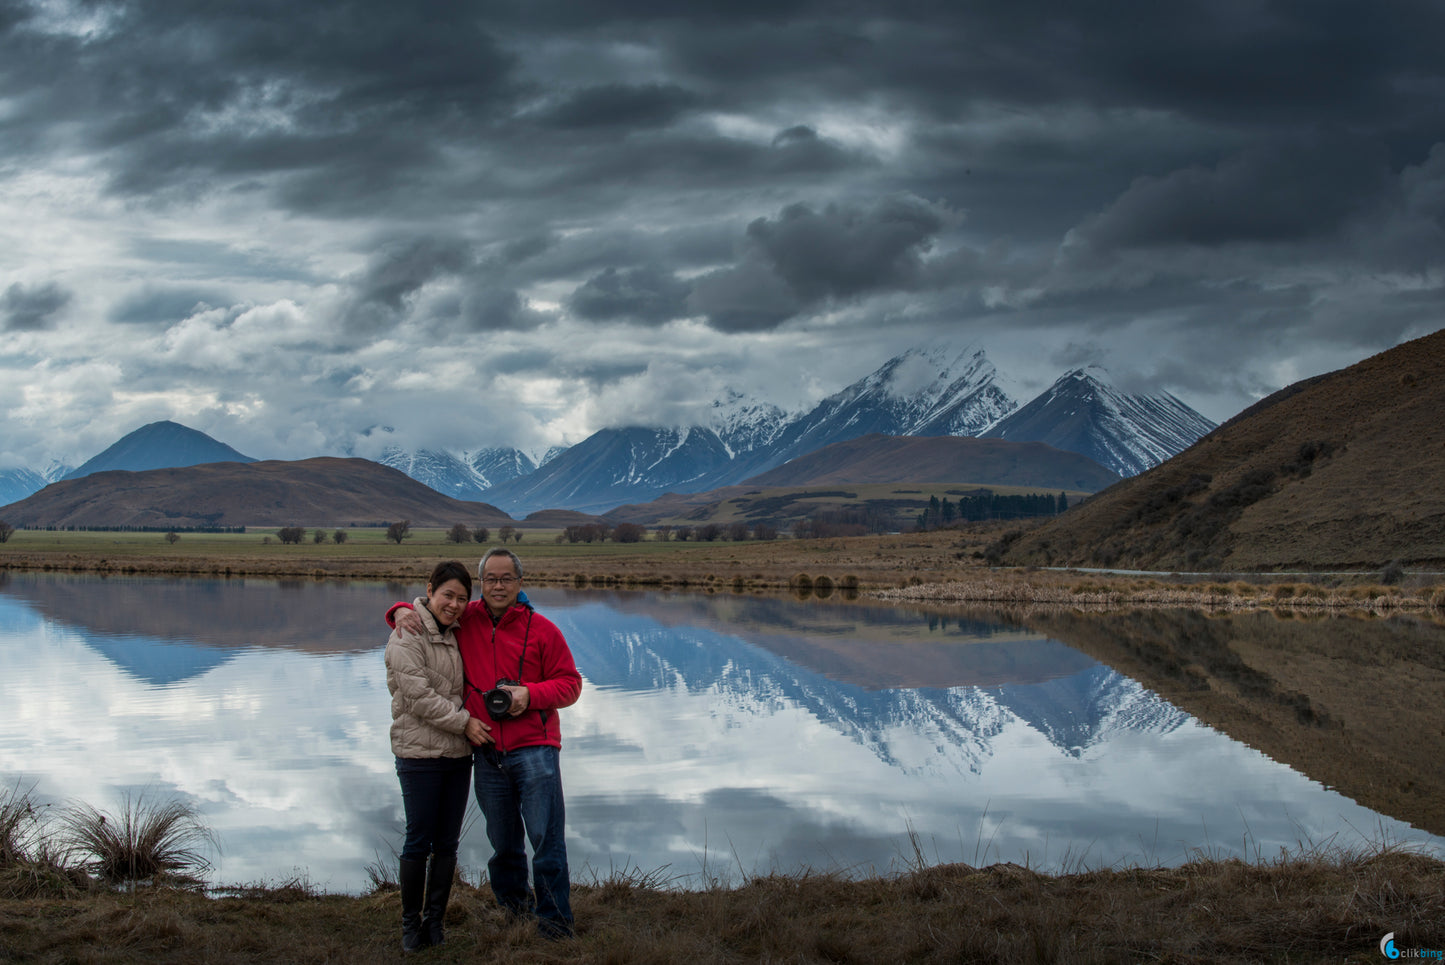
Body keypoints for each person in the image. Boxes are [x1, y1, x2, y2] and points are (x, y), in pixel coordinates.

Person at [389, 548, 583, 939]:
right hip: (487, 751)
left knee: (546, 840)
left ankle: (555, 923)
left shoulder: (544, 629)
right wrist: (398, 611)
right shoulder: (467, 618)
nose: (497, 585)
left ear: (520, 584)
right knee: (503, 844)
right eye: (490, 579)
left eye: (506, 578)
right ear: (481, 584)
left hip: (535, 749)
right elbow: (428, 613)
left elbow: (571, 685)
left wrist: (527, 696)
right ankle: (515, 914)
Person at [384, 560, 490, 953]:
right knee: (418, 840)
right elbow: (419, 698)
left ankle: (436, 924)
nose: (456, 604)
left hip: (458, 756)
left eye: (463, 598)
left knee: (447, 844)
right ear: (430, 590)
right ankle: (410, 925)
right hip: (419, 754)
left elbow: (507, 603)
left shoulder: (460, 630)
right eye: (448, 595)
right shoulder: (407, 634)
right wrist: (465, 723)